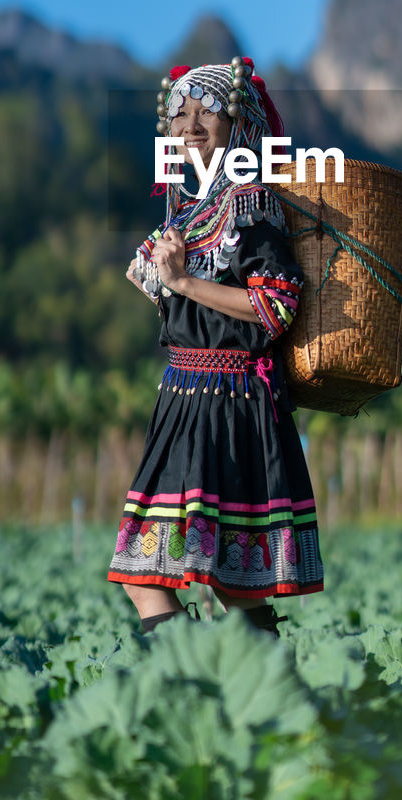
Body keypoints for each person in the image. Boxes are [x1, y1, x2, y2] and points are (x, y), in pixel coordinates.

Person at [107, 57, 323, 634]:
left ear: (239, 125)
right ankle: (203, 690)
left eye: (206, 113)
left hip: (234, 405)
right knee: (148, 574)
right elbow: (194, 309)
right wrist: (163, 287)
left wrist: (181, 282)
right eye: (180, 116)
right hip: (184, 400)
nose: (190, 127)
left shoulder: (251, 205)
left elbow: (274, 308)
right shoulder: (188, 212)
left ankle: (253, 698)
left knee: (234, 582)